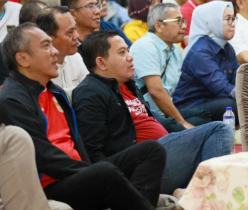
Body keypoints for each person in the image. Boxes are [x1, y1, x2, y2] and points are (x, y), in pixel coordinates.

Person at [0, 24, 166, 210]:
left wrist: (90, 169)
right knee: (105, 172)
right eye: (46, 45)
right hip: (45, 184)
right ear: (23, 59)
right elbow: (42, 157)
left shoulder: (54, 91)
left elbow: (77, 142)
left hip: (74, 171)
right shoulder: (11, 101)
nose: (55, 52)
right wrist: (90, 171)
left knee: (151, 151)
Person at [72, 29, 231, 195]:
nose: (130, 56)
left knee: (207, 130)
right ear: (101, 63)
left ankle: (193, 192)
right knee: (219, 129)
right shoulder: (90, 92)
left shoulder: (129, 85)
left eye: (128, 50)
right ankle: (203, 195)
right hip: (140, 165)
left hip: (164, 153)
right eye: (122, 52)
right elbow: (92, 152)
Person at [130, 3, 211, 133]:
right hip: (145, 114)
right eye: (178, 21)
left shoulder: (177, 51)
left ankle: (185, 134)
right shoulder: (146, 46)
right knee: (177, 125)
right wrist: (182, 122)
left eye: (183, 21)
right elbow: (156, 91)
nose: (184, 26)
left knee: (203, 115)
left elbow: (170, 92)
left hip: (164, 113)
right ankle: (186, 134)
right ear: (159, 26)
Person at [174, 1, 239, 123]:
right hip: (191, 108)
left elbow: (237, 80)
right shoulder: (200, 51)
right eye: (227, 19)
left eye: (233, 19)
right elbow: (223, 88)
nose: (233, 24)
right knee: (233, 106)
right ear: (209, 22)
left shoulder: (227, 47)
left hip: (214, 101)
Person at [36, 6, 89, 93]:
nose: (77, 36)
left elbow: (88, 93)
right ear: (49, 37)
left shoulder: (76, 58)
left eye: (75, 29)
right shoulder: (37, 69)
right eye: (70, 32)